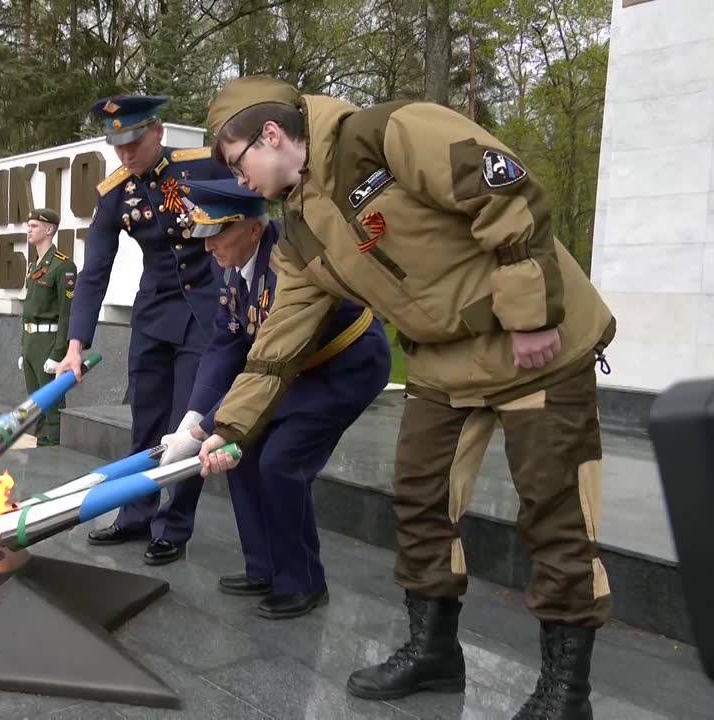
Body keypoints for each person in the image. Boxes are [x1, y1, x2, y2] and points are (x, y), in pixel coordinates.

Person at [195, 76, 615, 719]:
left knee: (554, 512)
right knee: (421, 501)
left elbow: (504, 187)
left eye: (235, 161)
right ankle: (434, 651)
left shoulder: (387, 134)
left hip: (535, 346)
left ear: (271, 135)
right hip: (445, 361)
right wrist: (232, 428)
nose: (239, 181)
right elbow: (279, 340)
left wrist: (531, 313)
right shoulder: (300, 229)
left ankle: (567, 690)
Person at [158, 177, 390, 618]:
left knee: (280, 461)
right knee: (240, 449)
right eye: (203, 236)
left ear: (253, 227)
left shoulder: (292, 262)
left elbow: (275, 358)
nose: (208, 248)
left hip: (343, 365)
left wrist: (210, 426)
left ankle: (302, 581)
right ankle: (263, 566)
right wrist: (192, 420)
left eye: (217, 234)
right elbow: (227, 343)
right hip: (286, 371)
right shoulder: (232, 262)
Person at [53, 94, 233, 565]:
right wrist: (77, 345)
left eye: (134, 142)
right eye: (118, 146)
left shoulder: (202, 166)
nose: (126, 154)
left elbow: (248, 215)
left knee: (186, 429)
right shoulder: (115, 192)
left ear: (157, 132)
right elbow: (95, 270)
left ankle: (173, 527)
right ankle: (135, 516)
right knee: (146, 423)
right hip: (153, 317)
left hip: (205, 314)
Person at [18, 207, 77, 446]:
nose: (28, 230)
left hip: (48, 342)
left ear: (49, 229)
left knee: (51, 404)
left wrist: (57, 353)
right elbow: (29, 309)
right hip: (32, 342)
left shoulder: (63, 266)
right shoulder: (34, 266)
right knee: (35, 404)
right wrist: (24, 348)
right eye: (28, 225)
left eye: (34, 226)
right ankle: (41, 446)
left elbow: (67, 313)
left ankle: (53, 450)